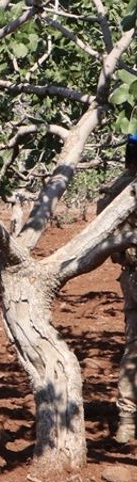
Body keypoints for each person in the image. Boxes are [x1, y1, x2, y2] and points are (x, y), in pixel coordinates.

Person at [97, 133, 137, 444]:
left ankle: (127, 420)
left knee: (134, 347)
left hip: (130, 274)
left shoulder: (119, 186)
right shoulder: (127, 189)